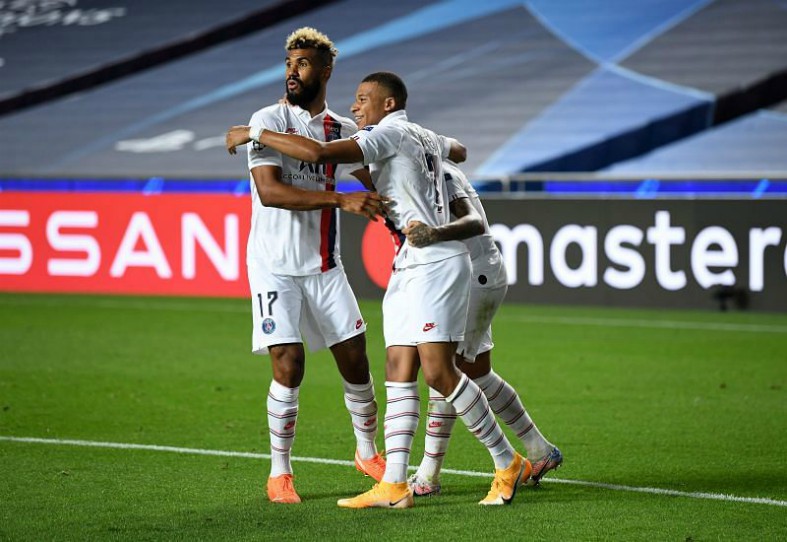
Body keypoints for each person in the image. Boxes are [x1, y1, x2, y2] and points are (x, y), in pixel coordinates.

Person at [227, 72, 532, 508]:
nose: (355, 108)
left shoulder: (384, 135)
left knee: (440, 373)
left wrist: (253, 132)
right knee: (397, 368)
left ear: (387, 105)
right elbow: (459, 150)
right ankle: (393, 483)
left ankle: (507, 462)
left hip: (436, 262)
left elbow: (317, 152)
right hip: (409, 261)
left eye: (363, 99)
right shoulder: (421, 134)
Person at [234, 27, 388, 505]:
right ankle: (280, 473)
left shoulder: (340, 129)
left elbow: (375, 174)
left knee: (356, 357)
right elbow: (271, 192)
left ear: (324, 72)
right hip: (273, 266)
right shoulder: (267, 120)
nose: (292, 73)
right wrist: (340, 199)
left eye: (302, 65)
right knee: (289, 362)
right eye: (288, 64)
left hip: (323, 264)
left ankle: (367, 453)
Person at [405, 160, 563, 497]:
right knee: (476, 372)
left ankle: (428, 476)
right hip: (476, 274)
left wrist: (431, 235)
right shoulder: (435, 168)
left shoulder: (437, 174)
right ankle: (539, 449)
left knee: (444, 372)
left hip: (472, 276)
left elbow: (471, 223)